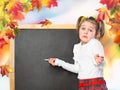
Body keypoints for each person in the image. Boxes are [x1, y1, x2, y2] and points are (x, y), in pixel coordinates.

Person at [48, 16, 108, 90]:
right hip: (82, 84)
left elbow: (102, 63)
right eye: (83, 28)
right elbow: (77, 69)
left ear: (96, 34)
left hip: (95, 83)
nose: (85, 32)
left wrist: (99, 61)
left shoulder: (95, 43)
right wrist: (59, 62)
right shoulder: (77, 47)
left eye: (90, 30)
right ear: (79, 30)